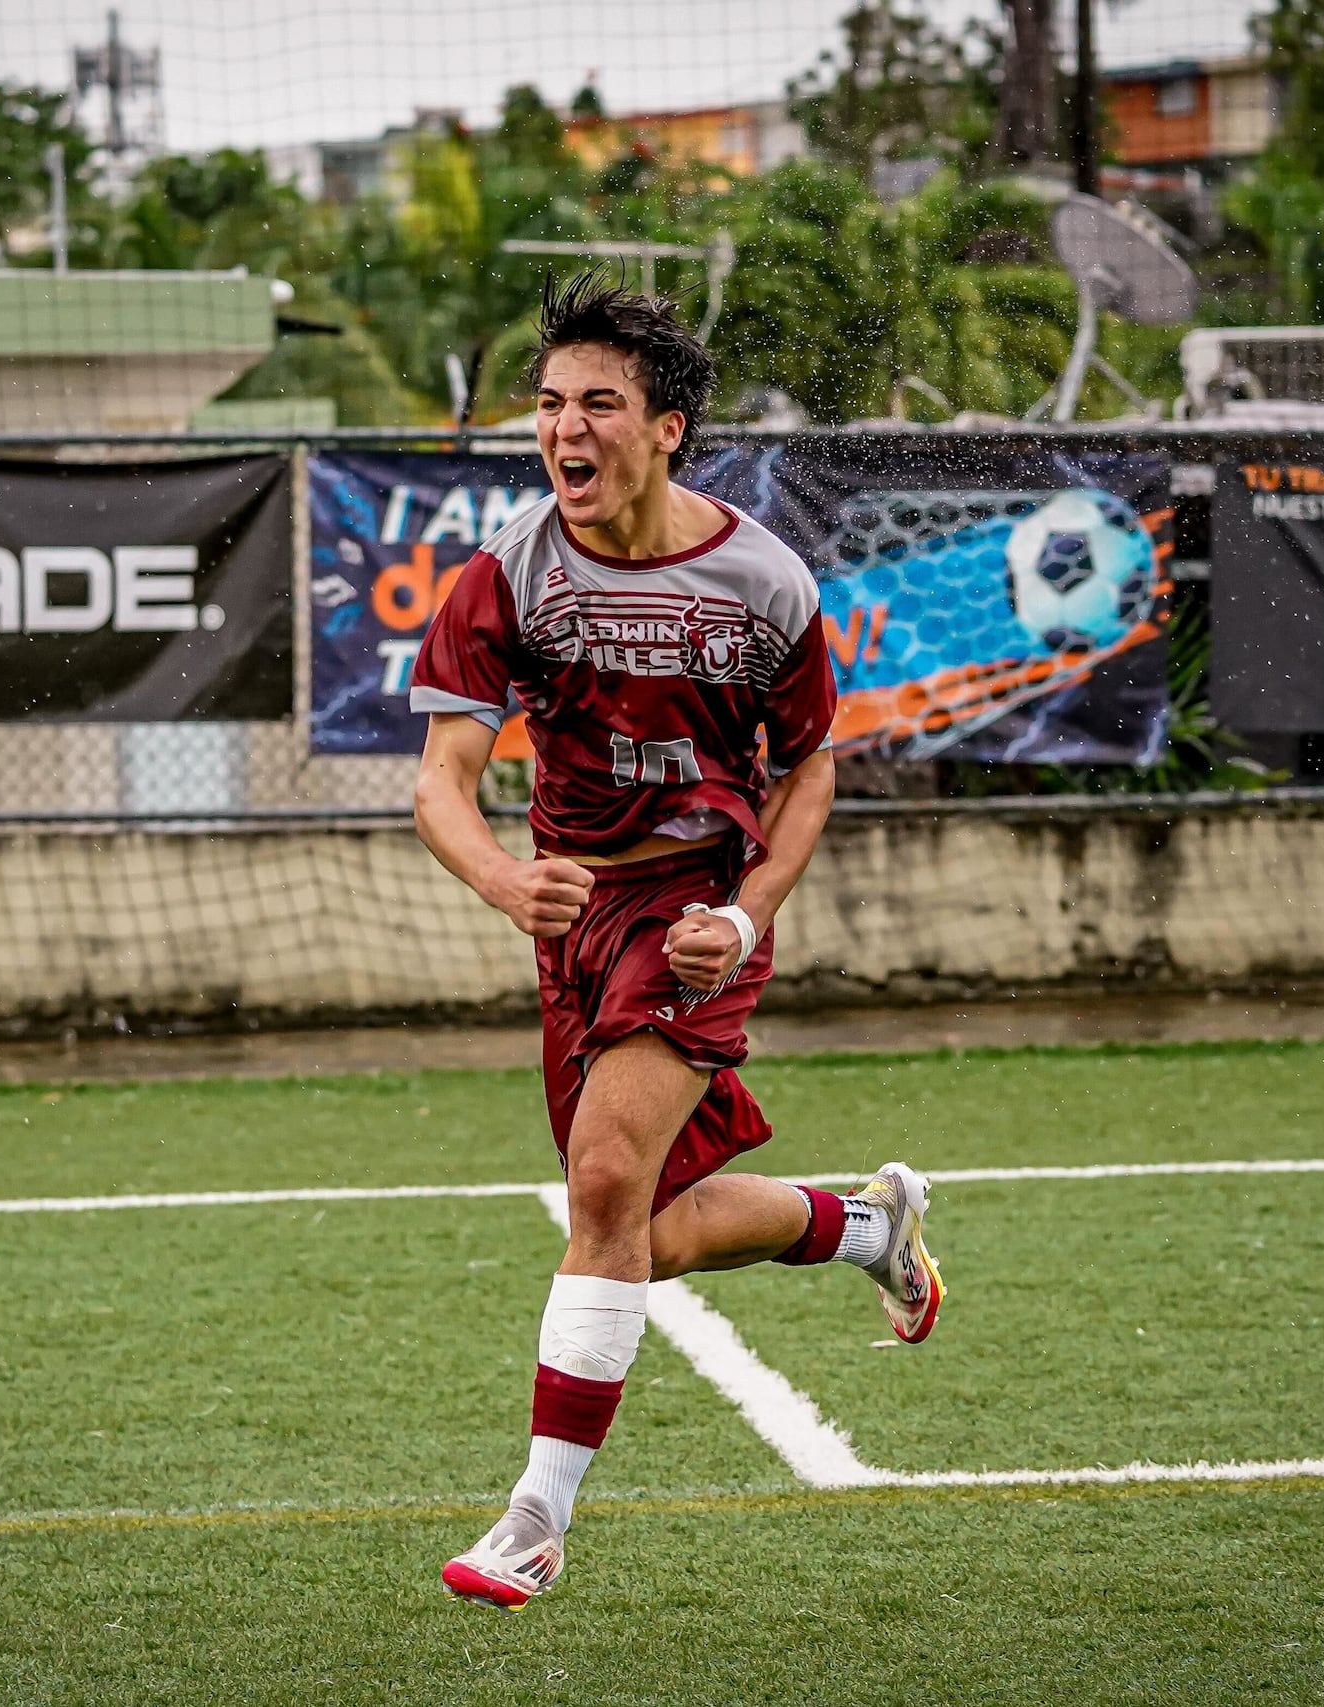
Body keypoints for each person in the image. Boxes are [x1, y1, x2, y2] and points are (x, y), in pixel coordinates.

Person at [409, 276, 943, 1612]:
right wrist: (499, 872)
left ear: (669, 427)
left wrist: (745, 913)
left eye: (598, 402)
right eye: (548, 403)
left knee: (599, 1189)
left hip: (696, 918)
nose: (563, 428)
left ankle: (537, 1515)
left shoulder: (762, 578)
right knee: (641, 1225)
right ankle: (864, 1221)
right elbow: (438, 778)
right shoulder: (511, 572)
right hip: (575, 923)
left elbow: (812, 769)